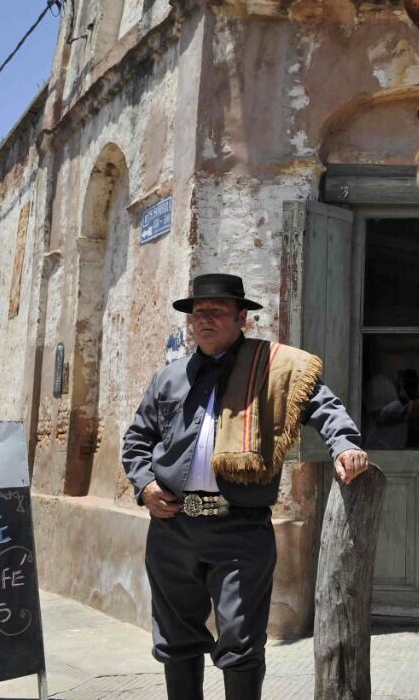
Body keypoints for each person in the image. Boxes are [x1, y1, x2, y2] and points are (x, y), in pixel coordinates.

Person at [122, 273, 369, 700]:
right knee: (175, 640)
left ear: (243, 319)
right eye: (199, 312)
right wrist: (145, 485)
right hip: (171, 528)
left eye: (217, 311)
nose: (205, 319)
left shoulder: (272, 370)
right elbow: (136, 440)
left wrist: (344, 443)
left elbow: (322, 404)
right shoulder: (169, 378)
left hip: (238, 529)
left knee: (240, 642)